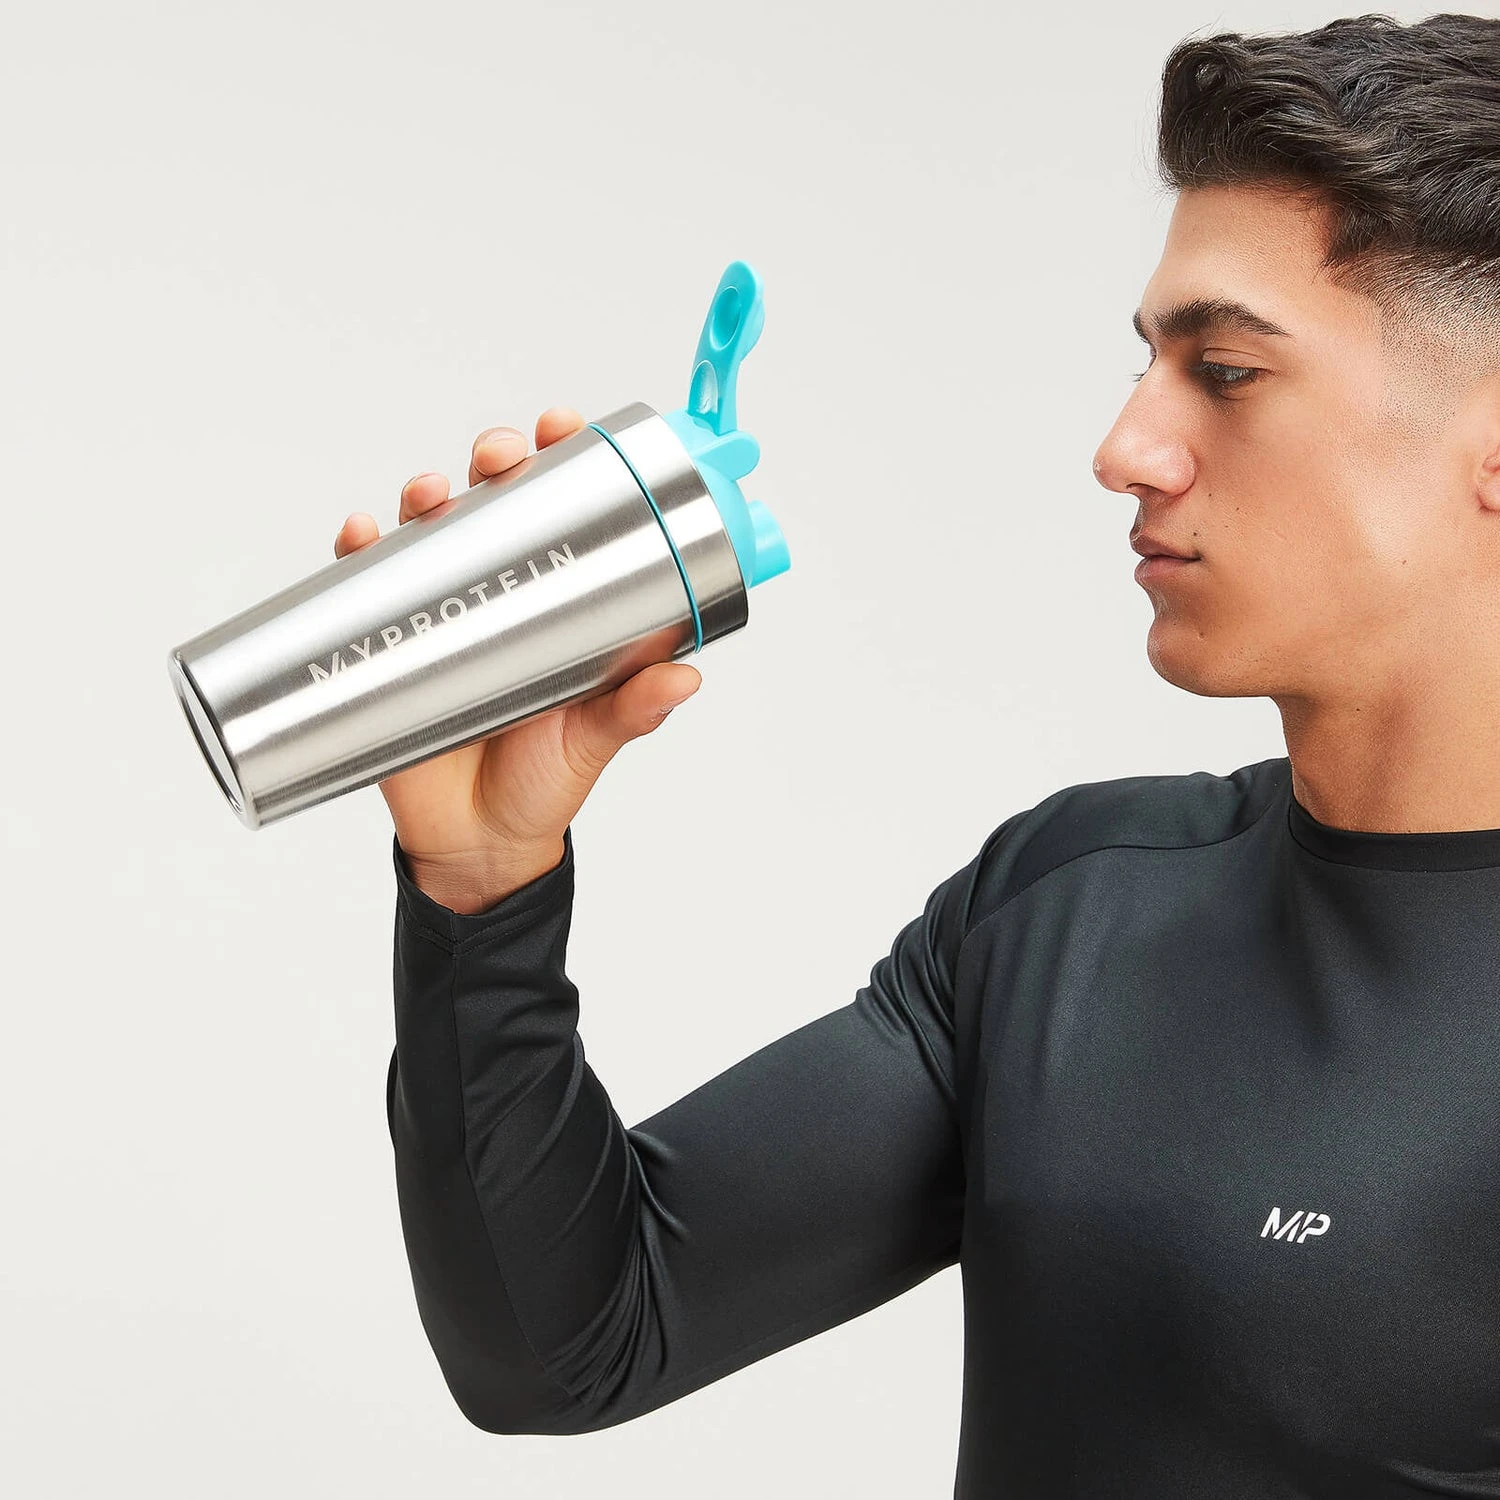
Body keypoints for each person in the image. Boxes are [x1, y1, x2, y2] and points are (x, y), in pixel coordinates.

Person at [334, 12, 1500, 1494]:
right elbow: (566, 1343)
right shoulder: (1069, 907)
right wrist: (485, 890)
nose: (1124, 448)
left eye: (1223, 369)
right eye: (1147, 363)